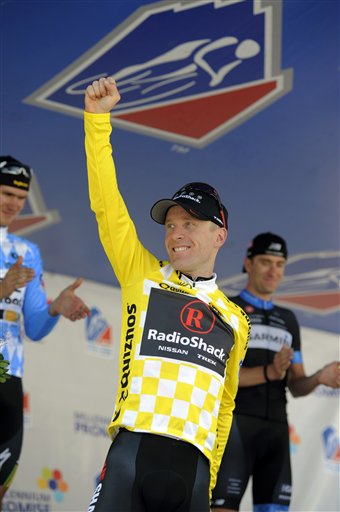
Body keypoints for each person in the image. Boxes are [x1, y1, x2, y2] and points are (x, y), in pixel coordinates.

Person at [84, 76, 250, 512]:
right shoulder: (142, 275)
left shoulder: (235, 320)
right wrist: (97, 122)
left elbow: (225, 406)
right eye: (171, 224)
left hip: (192, 472)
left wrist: (210, 476)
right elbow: (107, 205)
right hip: (132, 453)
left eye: (190, 224)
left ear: (219, 236)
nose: (176, 234)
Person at [211, 232, 340, 512]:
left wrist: (319, 377)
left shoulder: (288, 320)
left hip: (277, 433)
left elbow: (296, 385)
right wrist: (269, 372)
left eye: (279, 264)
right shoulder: (228, 308)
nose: (273, 271)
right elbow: (216, 377)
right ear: (249, 263)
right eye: (266, 262)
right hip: (234, 428)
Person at [0, 155, 91, 509]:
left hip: (9, 379)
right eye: (6, 192)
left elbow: (35, 328)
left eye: (20, 197)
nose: (13, 203)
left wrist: (55, 308)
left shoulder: (26, 252)